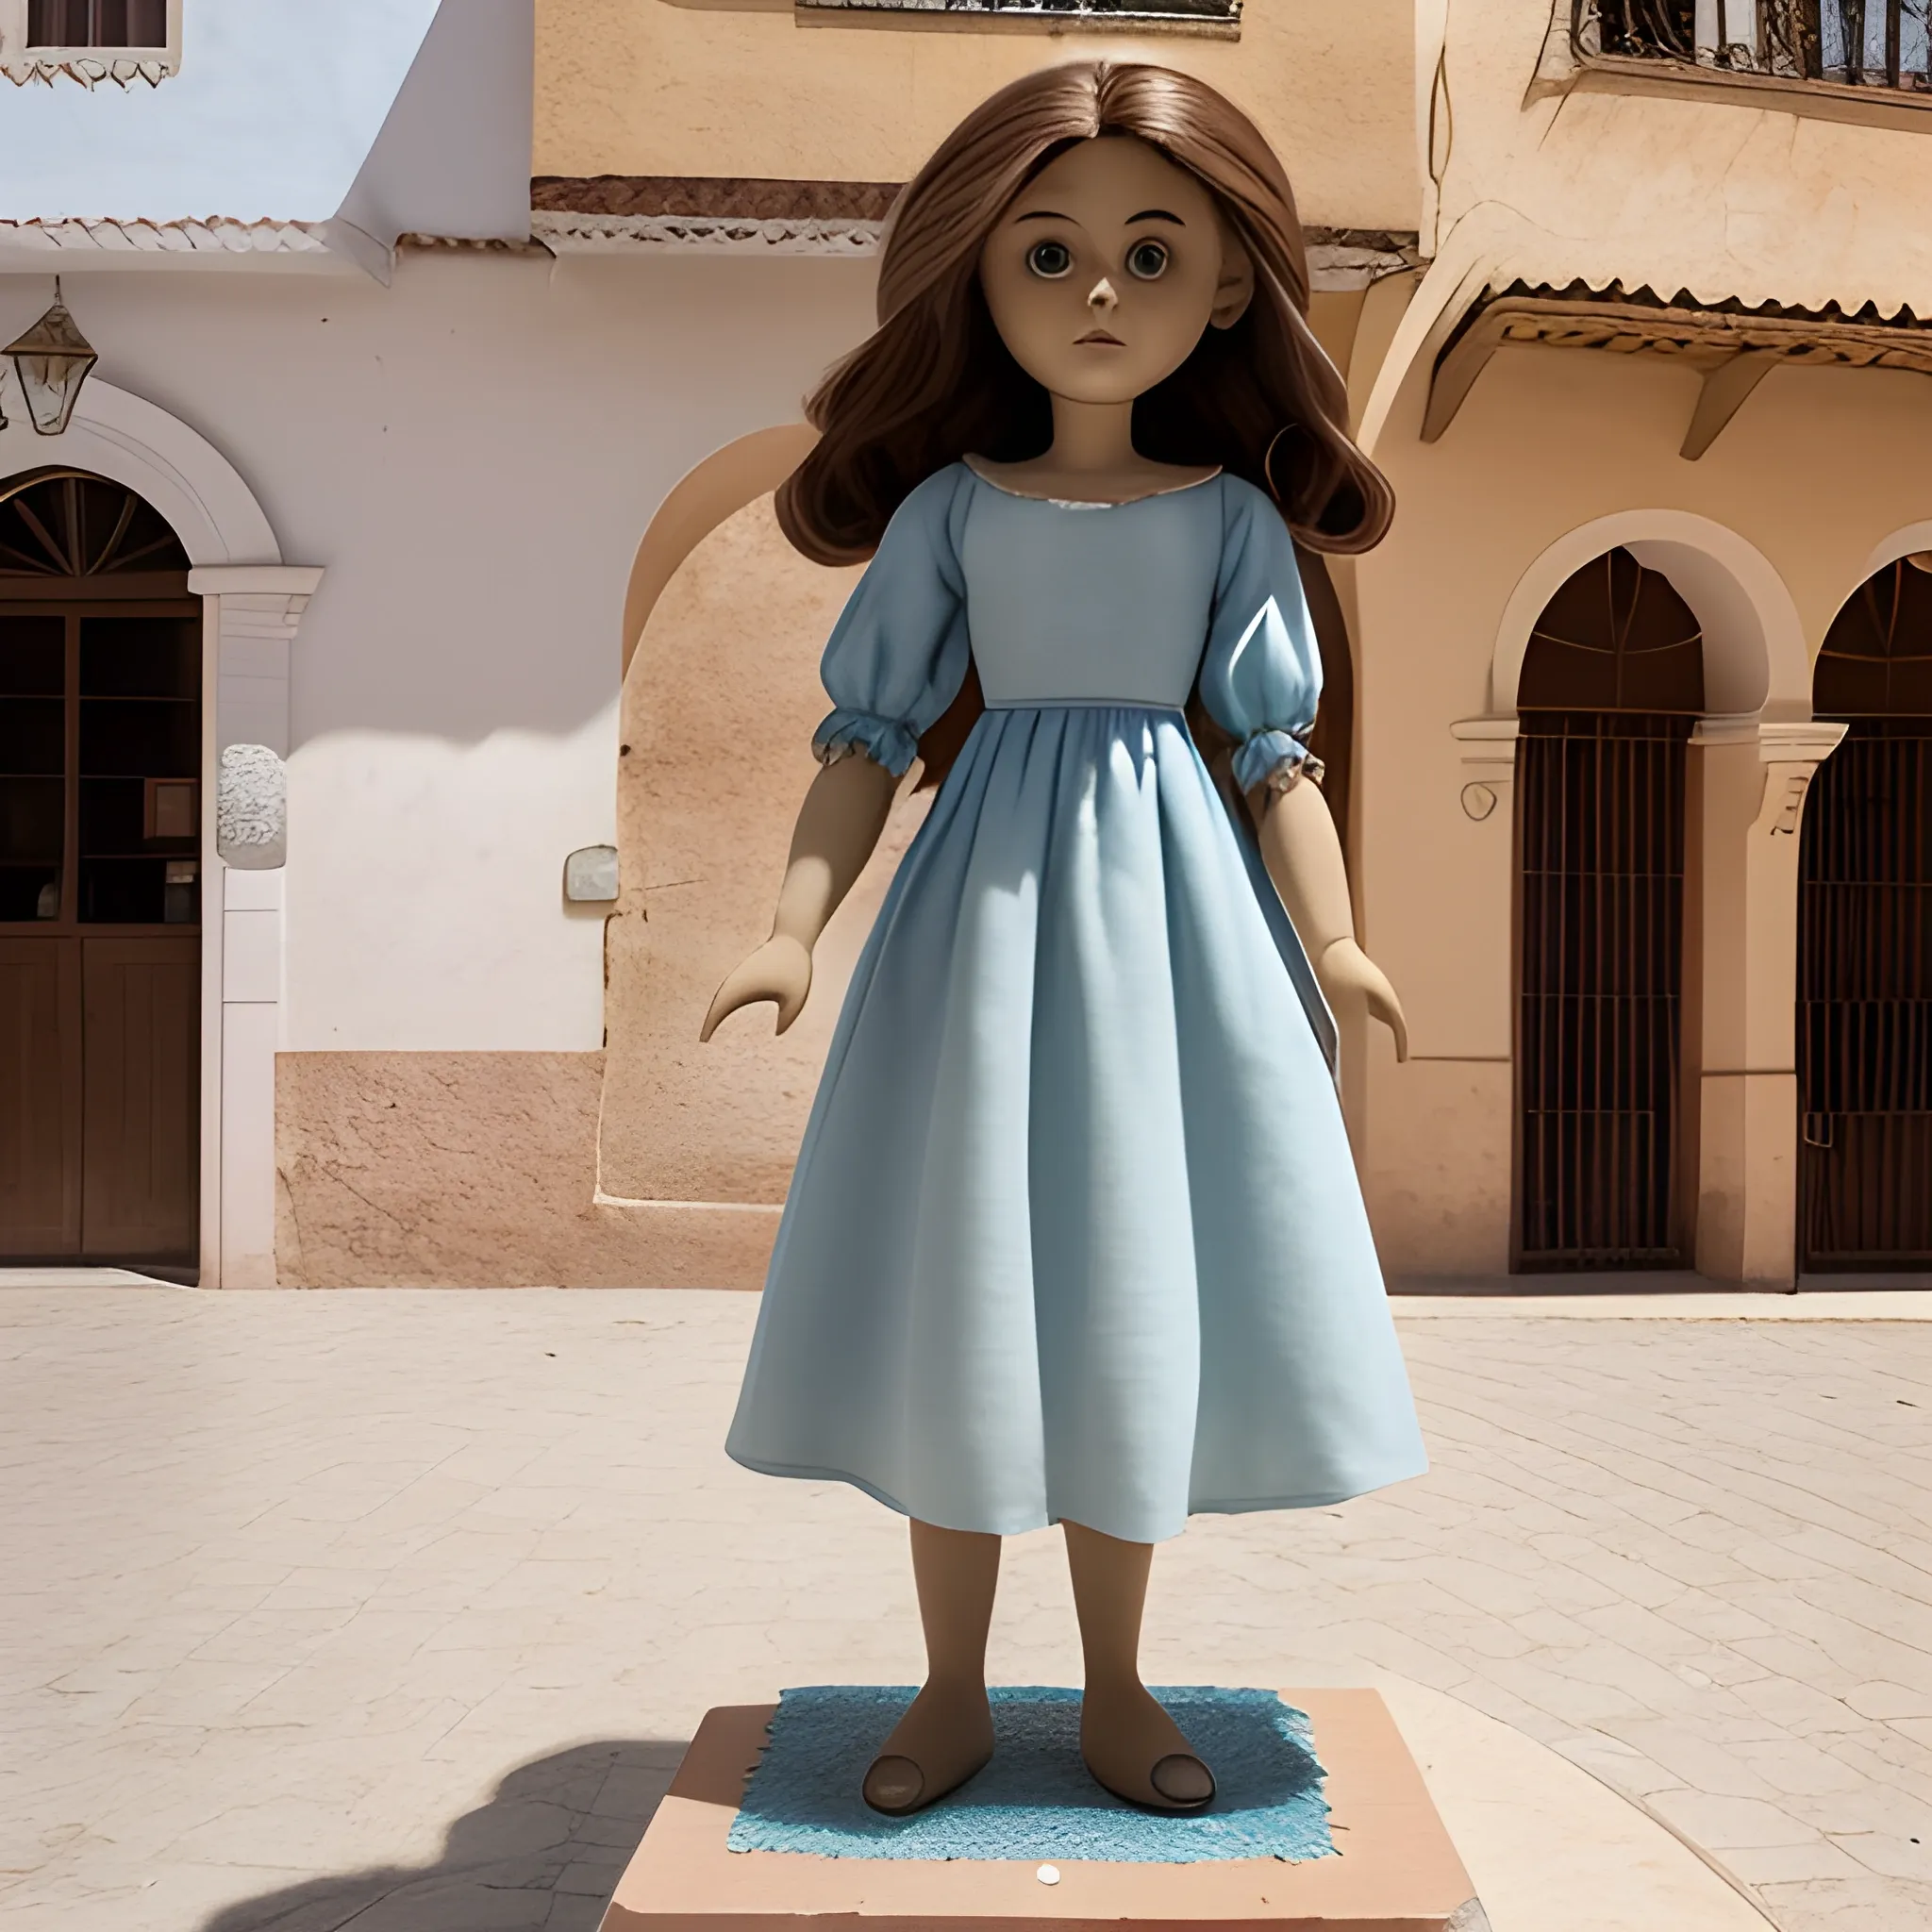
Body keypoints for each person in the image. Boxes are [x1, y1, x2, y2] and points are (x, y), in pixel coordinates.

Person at [702, 59, 1426, 1820]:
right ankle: (952, 1689)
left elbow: (1278, 759)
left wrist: (1331, 944)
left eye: (1152, 253)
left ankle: (1112, 1683)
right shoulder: (955, 508)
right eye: (1050, 255)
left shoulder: (1230, 522)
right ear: (980, 275)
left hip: (1171, 935)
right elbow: (866, 739)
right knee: (967, 1277)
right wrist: (792, 929)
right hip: (978, 934)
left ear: (1235, 286)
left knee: (1127, 1288)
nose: (1101, 294)